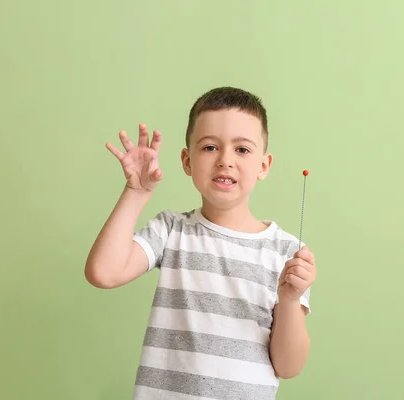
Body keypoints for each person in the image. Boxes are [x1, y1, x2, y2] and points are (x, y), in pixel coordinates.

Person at [85, 86, 317, 399]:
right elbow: (104, 273)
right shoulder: (171, 230)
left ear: (263, 165)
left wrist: (289, 300)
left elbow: (288, 366)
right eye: (209, 147)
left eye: (242, 150)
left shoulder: (286, 252)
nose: (225, 160)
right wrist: (137, 193)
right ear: (187, 160)